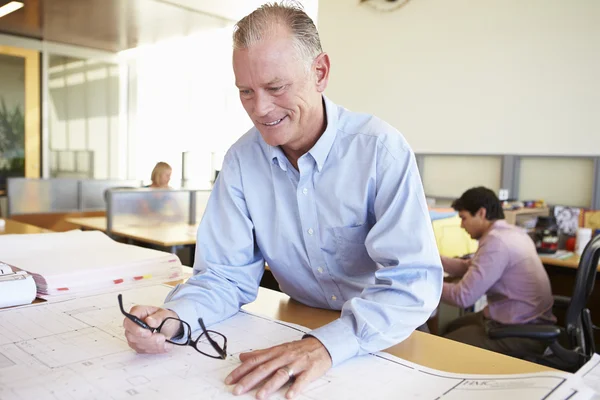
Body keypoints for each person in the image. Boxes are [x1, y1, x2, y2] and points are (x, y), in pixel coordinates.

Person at [123, 3, 442, 399]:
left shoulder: (380, 151)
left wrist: (327, 345)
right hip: (298, 330)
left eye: (276, 88)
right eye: (246, 92)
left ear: (320, 73)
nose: (260, 109)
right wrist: (175, 317)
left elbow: (413, 283)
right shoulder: (241, 161)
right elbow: (224, 275)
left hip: (386, 336)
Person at [441, 186, 556, 358]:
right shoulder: (512, 233)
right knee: (451, 326)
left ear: (481, 213)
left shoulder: (496, 243)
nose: (461, 225)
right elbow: (469, 266)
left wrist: (424, 284)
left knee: (443, 345)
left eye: (464, 218)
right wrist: (434, 259)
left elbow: (462, 297)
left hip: (520, 331)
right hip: (525, 319)